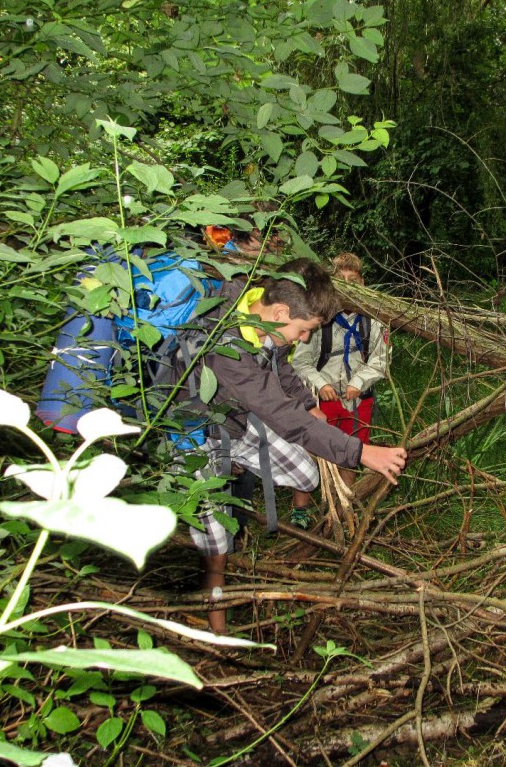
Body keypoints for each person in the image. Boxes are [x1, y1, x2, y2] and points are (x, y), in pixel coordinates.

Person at [171, 251, 407, 633]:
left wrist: (309, 405)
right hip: (196, 434)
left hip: (237, 422)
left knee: (306, 475)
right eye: (304, 330)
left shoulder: (267, 317)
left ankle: (237, 469)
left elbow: (281, 368)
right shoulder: (227, 348)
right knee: (216, 544)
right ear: (281, 312)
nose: (306, 338)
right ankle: (217, 629)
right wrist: (361, 452)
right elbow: (282, 415)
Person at [288, 253, 389, 529]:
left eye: (352, 281)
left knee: (352, 451)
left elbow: (380, 361)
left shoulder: (374, 320)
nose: (347, 286)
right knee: (312, 450)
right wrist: (321, 384)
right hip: (324, 399)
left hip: (358, 400)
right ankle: (301, 509)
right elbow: (300, 362)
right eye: (340, 281)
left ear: (362, 283)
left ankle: (343, 506)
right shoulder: (320, 319)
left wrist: (360, 382)